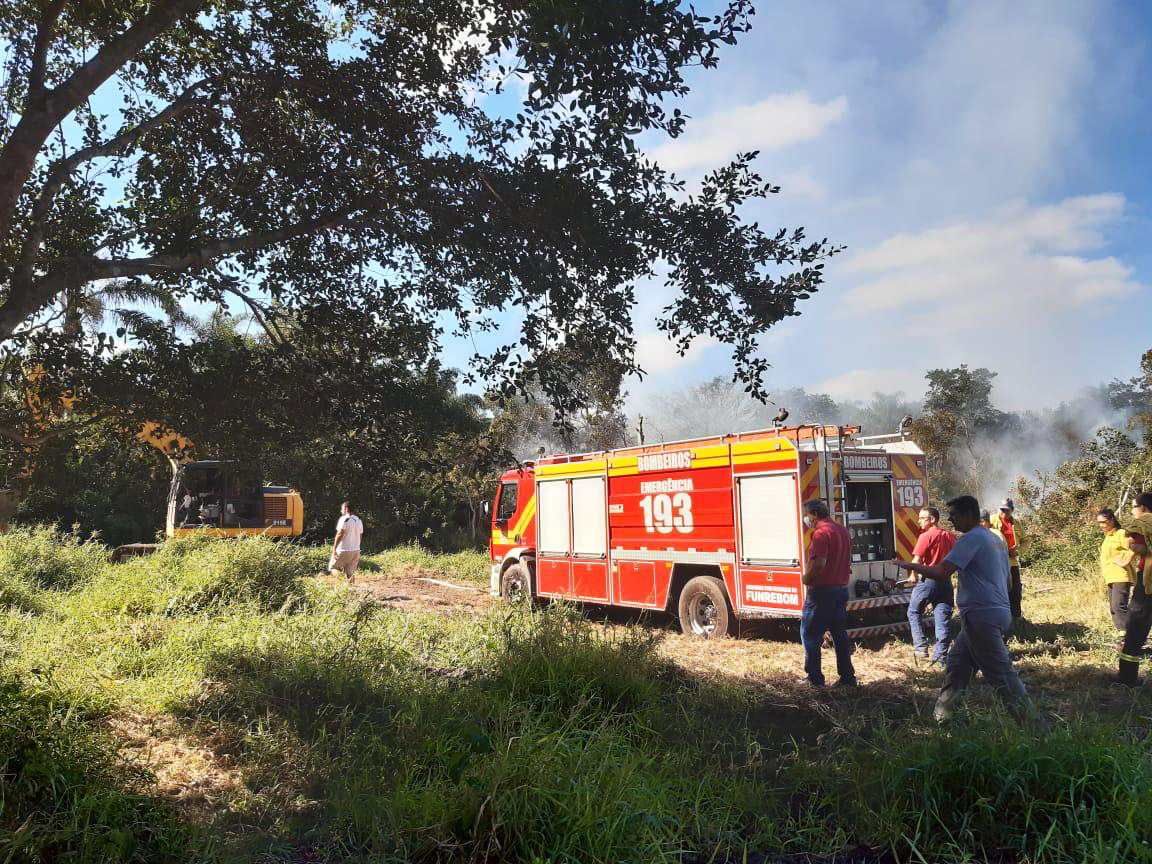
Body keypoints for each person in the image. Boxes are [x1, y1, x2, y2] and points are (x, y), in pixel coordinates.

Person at [897, 495, 1042, 725]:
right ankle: (942, 718)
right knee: (957, 664)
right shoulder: (997, 540)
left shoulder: (969, 539)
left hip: (980, 617)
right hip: (998, 613)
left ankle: (1036, 727)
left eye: (954, 515)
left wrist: (910, 566)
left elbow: (943, 572)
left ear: (969, 515)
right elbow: (1009, 584)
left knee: (1002, 675)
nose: (951, 520)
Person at [798, 499, 857, 688]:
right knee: (840, 636)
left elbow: (819, 564)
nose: (805, 518)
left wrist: (806, 579)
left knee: (810, 635)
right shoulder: (841, 530)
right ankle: (848, 679)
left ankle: (815, 680)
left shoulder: (821, 533)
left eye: (806, 514)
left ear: (814, 515)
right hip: (840, 591)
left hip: (822, 593)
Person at [906, 506, 956, 664]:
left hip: (928, 581)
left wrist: (913, 575)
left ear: (932, 519)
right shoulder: (950, 536)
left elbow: (917, 560)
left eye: (922, 518)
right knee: (942, 617)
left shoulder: (925, 536)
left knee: (913, 612)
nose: (919, 521)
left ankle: (921, 649)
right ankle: (940, 657)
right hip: (946, 583)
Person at [1115, 492, 1152, 687]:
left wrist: (1130, 544)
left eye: (1133, 507)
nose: (1132, 511)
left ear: (1143, 508)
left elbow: (1141, 548)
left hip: (1148, 583)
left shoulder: (1145, 520)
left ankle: (1127, 680)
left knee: (1135, 629)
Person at [1096, 508, 1134, 634]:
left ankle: (1131, 635)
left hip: (1121, 576)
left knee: (1119, 606)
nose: (1101, 525)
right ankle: (1122, 634)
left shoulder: (1121, 533)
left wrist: (1124, 562)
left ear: (1112, 520)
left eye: (1104, 522)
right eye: (1099, 523)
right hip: (1110, 576)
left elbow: (1133, 548)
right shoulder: (1107, 537)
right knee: (1113, 607)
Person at [990, 498, 1023, 619]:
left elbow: (1026, 540)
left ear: (1012, 510)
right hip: (996, 562)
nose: (1004, 513)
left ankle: (1016, 617)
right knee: (998, 590)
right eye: (1002, 509)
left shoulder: (1016, 523)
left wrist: (1018, 551)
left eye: (1007, 510)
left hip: (1011, 562)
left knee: (1015, 591)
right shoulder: (991, 520)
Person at [329, 501, 363, 584]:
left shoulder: (344, 519)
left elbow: (340, 534)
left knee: (333, 568)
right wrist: (357, 546)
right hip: (356, 551)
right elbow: (360, 535)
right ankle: (351, 591)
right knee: (350, 573)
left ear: (346, 509)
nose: (341, 511)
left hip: (343, 550)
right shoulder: (358, 520)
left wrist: (334, 549)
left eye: (342, 509)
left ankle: (338, 587)